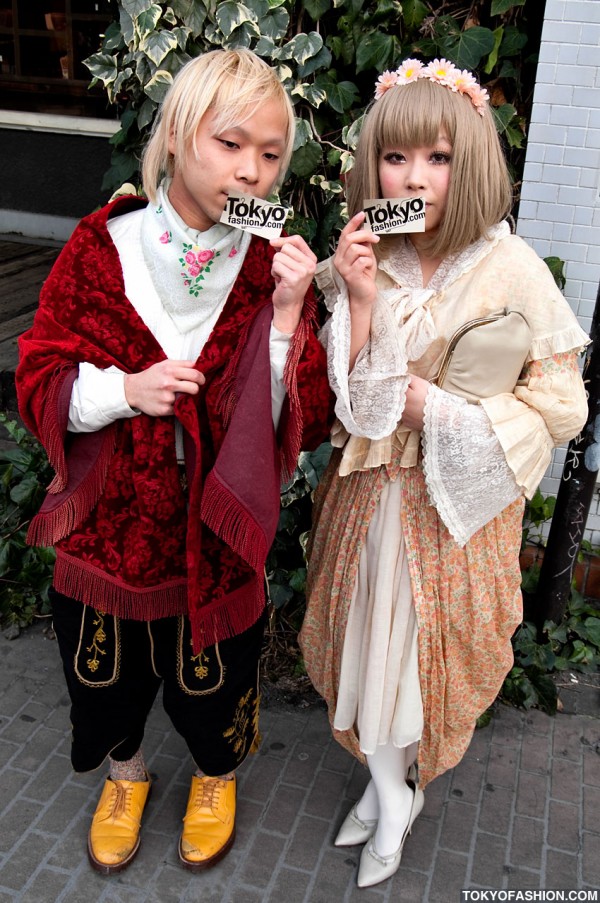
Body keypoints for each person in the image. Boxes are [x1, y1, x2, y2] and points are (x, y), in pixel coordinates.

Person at [17, 49, 331, 875]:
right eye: (233, 145)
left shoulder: (271, 269)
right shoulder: (100, 249)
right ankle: (124, 772)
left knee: (214, 678)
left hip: (214, 534)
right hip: (110, 530)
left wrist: (288, 319)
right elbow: (41, 376)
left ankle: (215, 775)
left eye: (270, 154)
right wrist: (126, 388)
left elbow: (298, 416)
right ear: (180, 135)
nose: (253, 172)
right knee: (104, 674)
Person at [298, 57, 589, 889]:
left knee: (421, 659)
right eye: (395, 158)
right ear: (373, 166)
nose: (414, 177)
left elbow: (561, 405)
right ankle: (390, 792)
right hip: (366, 497)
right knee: (367, 649)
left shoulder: (513, 268)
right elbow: (351, 409)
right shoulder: (367, 253)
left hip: (452, 509)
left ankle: (394, 795)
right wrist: (355, 299)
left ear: (470, 163)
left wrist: (444, 414)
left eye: (438, 157)